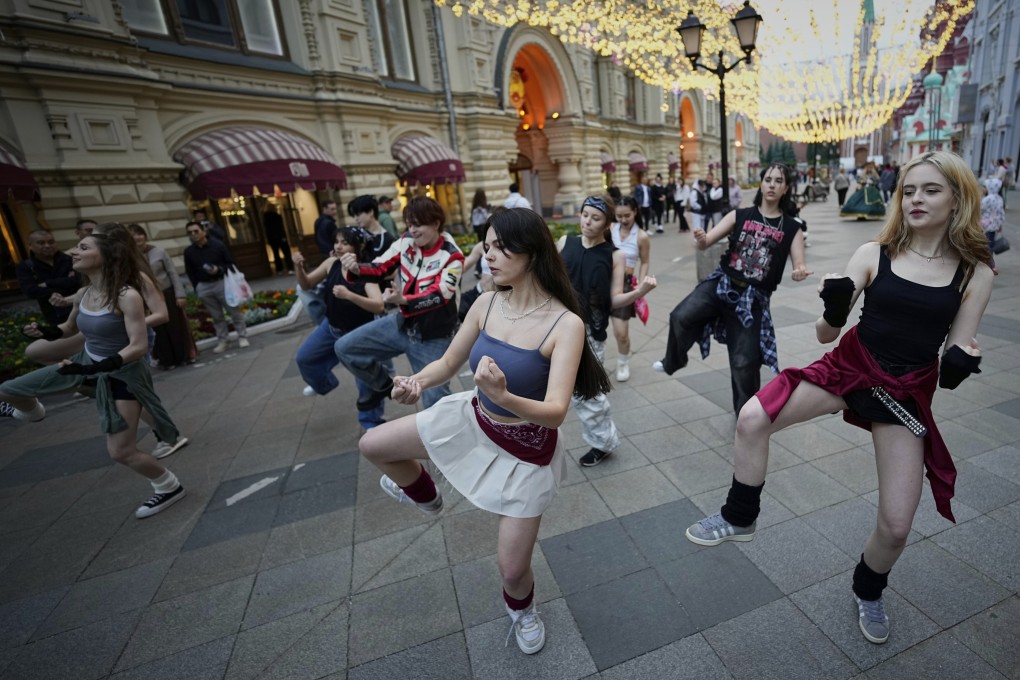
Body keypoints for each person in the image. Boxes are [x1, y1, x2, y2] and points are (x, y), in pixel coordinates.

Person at [685, 150, 994, 646]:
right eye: (909, 190)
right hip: (849, 368)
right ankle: (739, 516)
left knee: (896, 526)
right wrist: (834, 307)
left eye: (931, 190)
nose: (916, 199)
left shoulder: (975, 273)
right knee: (751, 417)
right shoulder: (876, 253)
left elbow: (958, 349)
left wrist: (959, 365)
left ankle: (867, 589)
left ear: (958, 197)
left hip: (903, 393)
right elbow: (826, 334)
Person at [357, 207, 610, 654]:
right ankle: (428, 496)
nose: (487, 255)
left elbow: (554, 413)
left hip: (527, 450)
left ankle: (523, 612)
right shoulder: (487, 301)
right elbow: (449, 362)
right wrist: (417, 382)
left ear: (531, 253)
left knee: (512, 570)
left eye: (498, 247)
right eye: (486, 245)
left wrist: (506, 395)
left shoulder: (565, 324)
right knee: (373, 444)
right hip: (473, 421)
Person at [0, 225, 188, 518]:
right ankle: (32, 413)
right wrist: (44, 331)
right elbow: (68, 328)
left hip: (123, 375)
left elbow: (138, 346)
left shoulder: (127, 295)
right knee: (8, 389)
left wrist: (99, 366)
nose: (74, 251)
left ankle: (168, 486)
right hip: (88, 363)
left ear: (107, 255)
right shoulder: (86, 292)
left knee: (121, 453)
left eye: (84, 247)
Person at [653, 163, 811, 413]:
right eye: (768, 179)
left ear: (785, 188)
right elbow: (706, 243)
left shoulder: (792, 228)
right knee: (680, 316)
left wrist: (799, 270)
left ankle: (746, 417)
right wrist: (701, 238)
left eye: (778, 181)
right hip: (721, 283)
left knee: (744, 363)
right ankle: (674, 361)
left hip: (753, 299)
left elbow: (799, 261)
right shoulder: (740, 215)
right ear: (761, 184)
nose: (772, 184)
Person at [335, 196, 464, 412]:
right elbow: (379, 267)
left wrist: (403, 300)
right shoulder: (405, 242)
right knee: (345, 348)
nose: (413, 230)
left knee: (436, 404)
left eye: (418, 224)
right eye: (409, 224)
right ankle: (385, 389)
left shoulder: (452, 255)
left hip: (434, 337)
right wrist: (356, 268)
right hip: (403, 323)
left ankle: (446, 442)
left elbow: (441, 296)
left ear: (435, 223)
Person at [559, 195, 656, 466]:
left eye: (596, 218)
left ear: (607, 225)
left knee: (587, 390)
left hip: (589, 332)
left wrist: (639, 291)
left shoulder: (616, 255)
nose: (587, 221)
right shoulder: (566, 243)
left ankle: (602, 443)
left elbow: (613, 300)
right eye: (585, 214)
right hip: (556, 326)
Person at [294, 227, 386, 430]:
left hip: (359, 335)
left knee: (367, 386)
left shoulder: (365, 270)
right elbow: (307, 284)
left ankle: (372, 423)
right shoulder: (331, 263)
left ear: (358, 246)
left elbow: (379, 305)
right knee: (305, 359)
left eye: (345, 242)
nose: (338, 246)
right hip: (331, 328)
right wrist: (299, 267)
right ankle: (325, 384)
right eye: (337, 242)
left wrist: (349, 295)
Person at [128, 224, 196, 369]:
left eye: (139, 233)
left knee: (175, 327)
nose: (137, 237)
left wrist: (180, 295)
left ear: (145, 235)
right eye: (133, 235)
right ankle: (167, 360)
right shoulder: (130, 258)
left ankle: (182, 357)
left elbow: (173, 273)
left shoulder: (159, 251)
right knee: (158, 331)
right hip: (147, 298)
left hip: (168, 293)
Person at [183, 221, 248, 354]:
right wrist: (198, 287)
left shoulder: (218, 245)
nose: (193, 234)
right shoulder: (189, 252)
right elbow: (190, 271)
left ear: (204, 231)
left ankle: (242, 336)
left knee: (233, 311)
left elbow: (231, 264)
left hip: (222, 283)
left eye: (196, 231)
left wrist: (218, 269)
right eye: (190, 233)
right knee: (216, 316)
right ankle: (224, 340)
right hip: (204, 287)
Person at [609, 196, 651, 382]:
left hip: (625, 284)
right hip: (604, 280)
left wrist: (641, 285)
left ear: (635, 212)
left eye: (627, 215)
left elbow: (645, 261)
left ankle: (622, 362)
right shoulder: (610, 229)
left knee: (621, 333)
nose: (623, 220)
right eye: (619, 216)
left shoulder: (641, 236)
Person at [16, 229, 80, 324]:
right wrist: (64, 285)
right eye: (41, 243)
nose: (47, 246)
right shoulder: (26, 267)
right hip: (55, 315)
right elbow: (30, 291)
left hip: (79, 308)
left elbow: (79, 281)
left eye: (51, 242)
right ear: (30, 246)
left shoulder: (70, 260)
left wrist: (48, 283)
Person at [347, 195, 396, 260]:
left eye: (358, 214)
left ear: (370, 212)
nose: (356, 218)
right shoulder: (357, 234)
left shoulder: (388, 240)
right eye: (354, 215)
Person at [980, 178, 1005, 273]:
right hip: (993, 226)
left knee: (986, 246)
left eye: (984, 187)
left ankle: (990, 266)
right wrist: (1000, 225)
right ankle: (990, 265)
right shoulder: (999, 198)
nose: (983, 188)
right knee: (989, 246)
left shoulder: (987, 199)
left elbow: (979, 209)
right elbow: (1001, 213)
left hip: (984, 226)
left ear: (990, 187)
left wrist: (982, 196)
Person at [262, 204, 294, 275]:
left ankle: (279, 269)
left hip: (272, 239)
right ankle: (290, 268)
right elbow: (280, 228)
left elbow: (266, 230)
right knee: (286, 253)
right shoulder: (277, 216)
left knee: (276, 254)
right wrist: (283, 236)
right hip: (280, 238)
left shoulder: (266, 218)